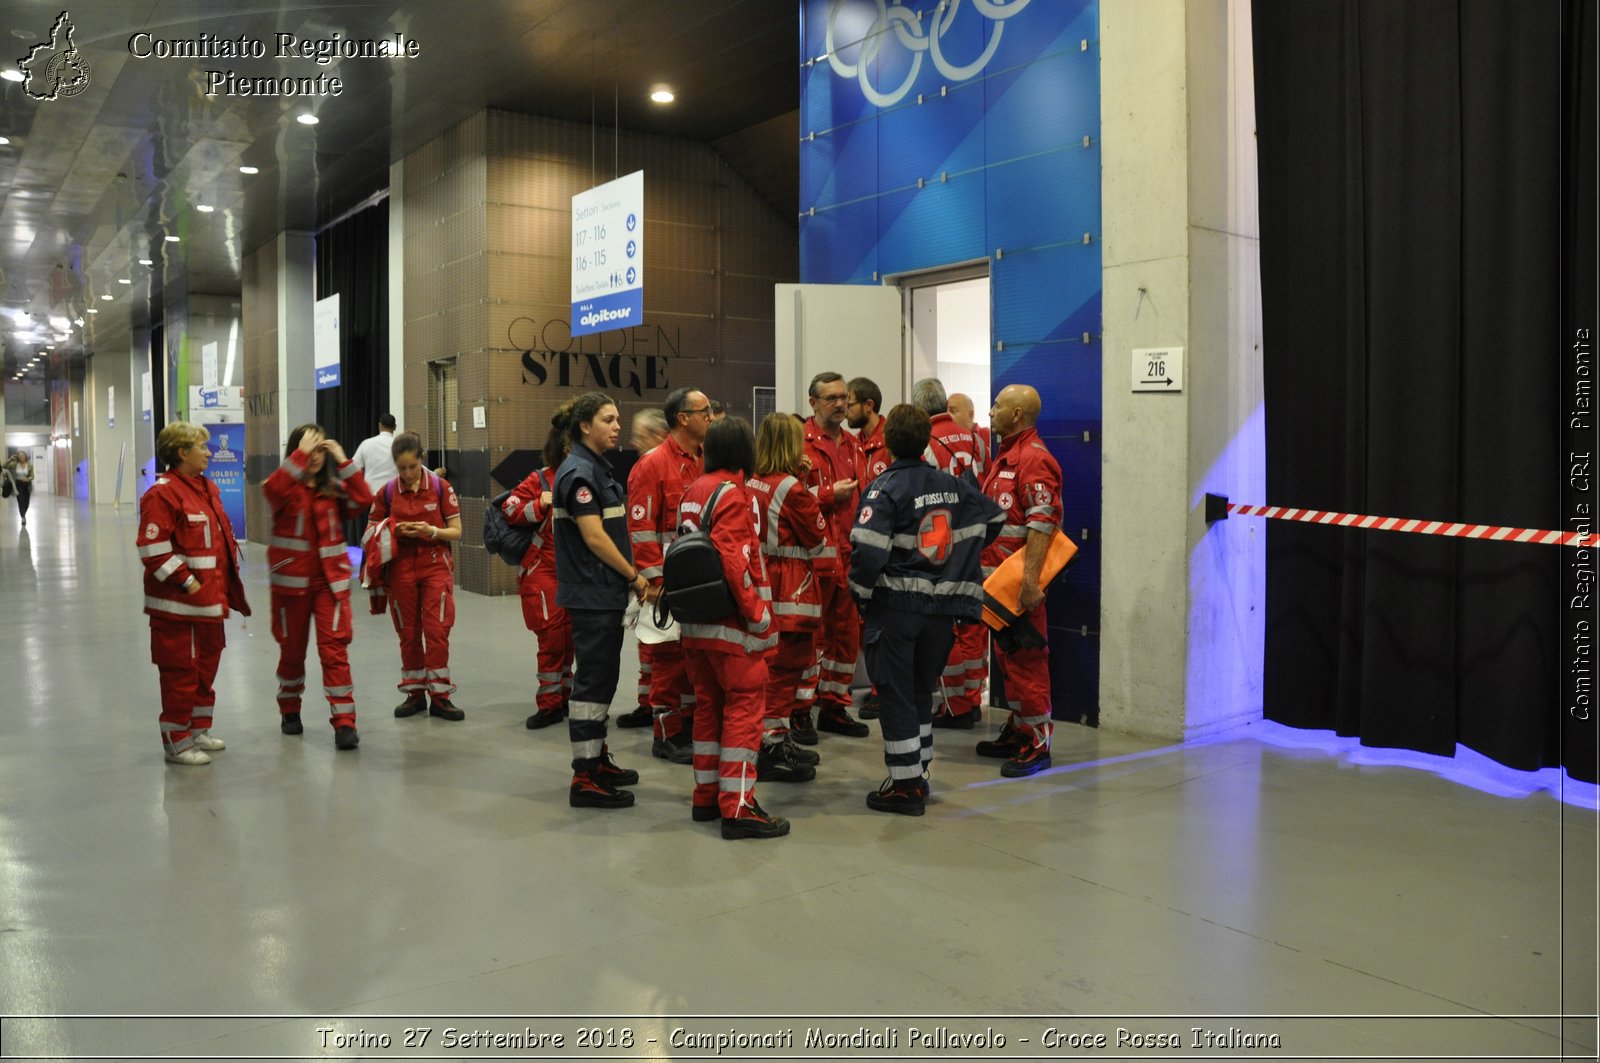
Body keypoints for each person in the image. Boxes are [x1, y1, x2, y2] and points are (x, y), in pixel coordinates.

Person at [850, 405, 1002, 813]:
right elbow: (994, 516)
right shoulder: (952, 485)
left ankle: (904, 788)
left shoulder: (884, 488)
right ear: (925, 442)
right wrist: (956, 562)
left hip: (896, 609)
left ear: (887, 442)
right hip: (940, 614)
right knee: (921, 692)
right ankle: (918, 772)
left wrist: (859, 594)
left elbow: (867, 550)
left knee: (896, 694)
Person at [677, 416, 789, 839]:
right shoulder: (732, 494)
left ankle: (706, 797)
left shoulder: (694, 489)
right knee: (744, 713)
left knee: (708, 710)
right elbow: (735, 561)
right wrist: (758, 616)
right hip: (732, 630)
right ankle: (739, 807)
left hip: (697, 626)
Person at [553, 391, 649, 808]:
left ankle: (598, 757)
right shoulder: (579, 474)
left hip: (602, 594)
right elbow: (593, 536)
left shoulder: (595, 469)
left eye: (617, 418)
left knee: (603, 679)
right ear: (584, 427)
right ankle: (585, 777)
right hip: (592, 594)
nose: (616, 426)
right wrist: (633, 575)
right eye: (608, 420)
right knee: (592, 686)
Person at [136, 422, 251, 765]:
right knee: (180, 673)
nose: (209, 451)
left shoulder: (206, 489)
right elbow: (152, 548)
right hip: (178, 608)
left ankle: (197, 728)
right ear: (181, 452)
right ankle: (177, 740)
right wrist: (187, 581)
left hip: (208, 606)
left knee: (205, 669)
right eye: (201, 446)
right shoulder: (163, 493)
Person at [263, 424, 373, 750]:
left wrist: (342, 458)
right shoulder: (281, 486)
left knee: (334, 652)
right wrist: (299, 454)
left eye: (318, 449)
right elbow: (271, 493)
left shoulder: (334, 489)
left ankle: (344, 724)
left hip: (330, 585)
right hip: (291, 588)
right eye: (307, 449)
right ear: (296, 452)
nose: (313, 457)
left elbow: (364, 498)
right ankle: (289, 709)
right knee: (292, 653)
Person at [622, 387, 711, 763]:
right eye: (703, 410)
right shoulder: (652, 464)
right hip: (667, 585)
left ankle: (689, 725)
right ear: (683, 418)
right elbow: (641, 529)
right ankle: (666, 734)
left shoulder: (706, 459)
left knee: (695, 659)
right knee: (668, 662)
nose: (710, 415)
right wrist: (654, 582)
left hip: (701, 582)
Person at [979, 384, 1063, 776]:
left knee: (1028, 662)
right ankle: (1018, 729)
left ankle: (1038, 742)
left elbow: (1042, 524)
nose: (990, 410)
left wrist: (1031, 583)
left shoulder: (1033, 459)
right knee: (1008, 661)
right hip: (999, 587)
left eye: (997, 405)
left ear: (1016, 415)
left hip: (1018, 587)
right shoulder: (1006, 457)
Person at [748, 413, 829, 783]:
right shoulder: (791, 488)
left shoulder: (751, 481)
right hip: (790, 588)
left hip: (761, 580)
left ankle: (772, 740)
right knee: (786, 670)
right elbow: (816, 536)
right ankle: (772, 745)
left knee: (768, 669)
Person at [369, 431, 464, 721]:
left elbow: (457, 531)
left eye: (412, 467)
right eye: (402, 468)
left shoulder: (440, 487)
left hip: (435, 567)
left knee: (436, 632)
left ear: (421, 459)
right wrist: (393, 530)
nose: (408, 474)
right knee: (408, 634)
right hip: (400, 570)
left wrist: (430, 531)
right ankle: (414, 694)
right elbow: (371, 531)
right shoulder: (386, 492)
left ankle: (440, 696)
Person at [916, 378, 990, 727]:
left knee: (948, 626)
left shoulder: (926, 444)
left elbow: (924, 499)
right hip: (975, 541)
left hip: (943, 545)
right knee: (973, 624)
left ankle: (957, 705)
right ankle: (973, 697)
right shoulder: (975, 439)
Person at [800, 372, 869, 742]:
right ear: (813, 402)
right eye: (831, 398)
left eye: (844, 397)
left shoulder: (855, 445)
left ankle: (834, 705)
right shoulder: (801, 444)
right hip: (814, 558)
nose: (841, 404)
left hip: (850, 555)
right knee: (812, 635)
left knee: (846, 633)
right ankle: (799, 709)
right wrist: (828, 494)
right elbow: (787, 499)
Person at [503, 404, 575, 730]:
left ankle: (565, 696)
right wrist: (538, 504)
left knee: (571, 639)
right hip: (542, 570)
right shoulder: (541, 479)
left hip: (575, 572)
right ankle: (549, 704)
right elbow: (510, 508)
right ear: (566, 445)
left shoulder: (589, 477)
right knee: (552, 639)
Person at [620, 408, 671, 722]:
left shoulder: (654, 464)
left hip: (662, 575)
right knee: (652, 642)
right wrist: (650, 577)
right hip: (657, 574)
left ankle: (652, 705)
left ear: (658, 435)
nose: (633, 440)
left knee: (658, 645)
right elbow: (640, 527)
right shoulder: (653, 465)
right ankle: (648, 705)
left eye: (640, 434)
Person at [349, 414, 398, 545]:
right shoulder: (399, 445)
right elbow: (416, 467)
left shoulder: (366, 444)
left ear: (379, 425)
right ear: (395, 427)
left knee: (369, 538)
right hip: (394, 499)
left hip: (371, 499)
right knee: (392, 539)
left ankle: (367, 564)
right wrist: (435, 473)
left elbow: (353, 468)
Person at [847, 377, 889, 485]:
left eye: (849, 406)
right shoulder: (852, 443)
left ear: (869, 405)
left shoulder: (894, 440)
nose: (845, 413)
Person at [947, 392, 989, 477]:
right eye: (946, 411)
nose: (947, 415)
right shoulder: (946, 439)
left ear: (970, 415)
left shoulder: (987, 435)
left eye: (952, 411)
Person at [4, 450, 34, 526]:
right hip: (18, 484)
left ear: (25, 456)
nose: (21, 457)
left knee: (26, 502)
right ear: (18, 457)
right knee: (20, 501)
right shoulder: (15, 464)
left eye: (23, 455)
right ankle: (23, 517)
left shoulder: (29, 465)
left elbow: (32, 476)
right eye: (20, 456)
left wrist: (28, 479)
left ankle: (23, 514)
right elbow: (4, 466)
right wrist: (10, 459)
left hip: (27, 485)